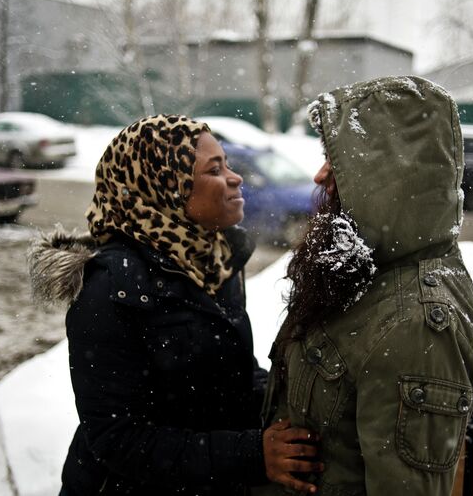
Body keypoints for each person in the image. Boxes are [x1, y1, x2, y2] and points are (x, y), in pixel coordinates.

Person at [28, 114, 322, 496]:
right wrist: (251, 454)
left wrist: (292, 404)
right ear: (165, 187)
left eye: (228, 165)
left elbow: (232, 371)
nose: (236, 178)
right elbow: (117, 439)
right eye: (215, 170)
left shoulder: (215, 260)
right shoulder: (110, 287)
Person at [257, 76, 473, 495]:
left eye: (338, 163)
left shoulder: (415, 324)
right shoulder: (364, 269)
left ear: (390, 175)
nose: (320, 176)